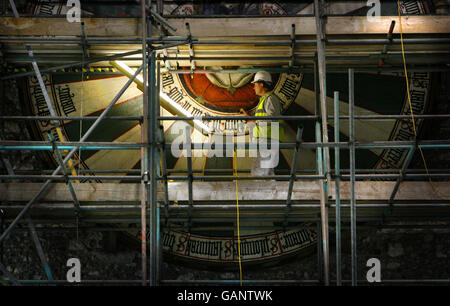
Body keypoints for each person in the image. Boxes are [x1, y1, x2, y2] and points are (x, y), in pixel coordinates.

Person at [240, 71, 284, 177]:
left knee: (260, 172)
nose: (253, 87)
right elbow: (264, 119)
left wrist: (253, 121)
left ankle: (261, 193)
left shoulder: (270, 99)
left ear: (262, 84)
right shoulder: (265, 100)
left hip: (267, 139)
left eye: (255, 84)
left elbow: (272, 118)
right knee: (266, 172)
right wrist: (250, 119)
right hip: (265, 140)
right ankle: (269, 192)